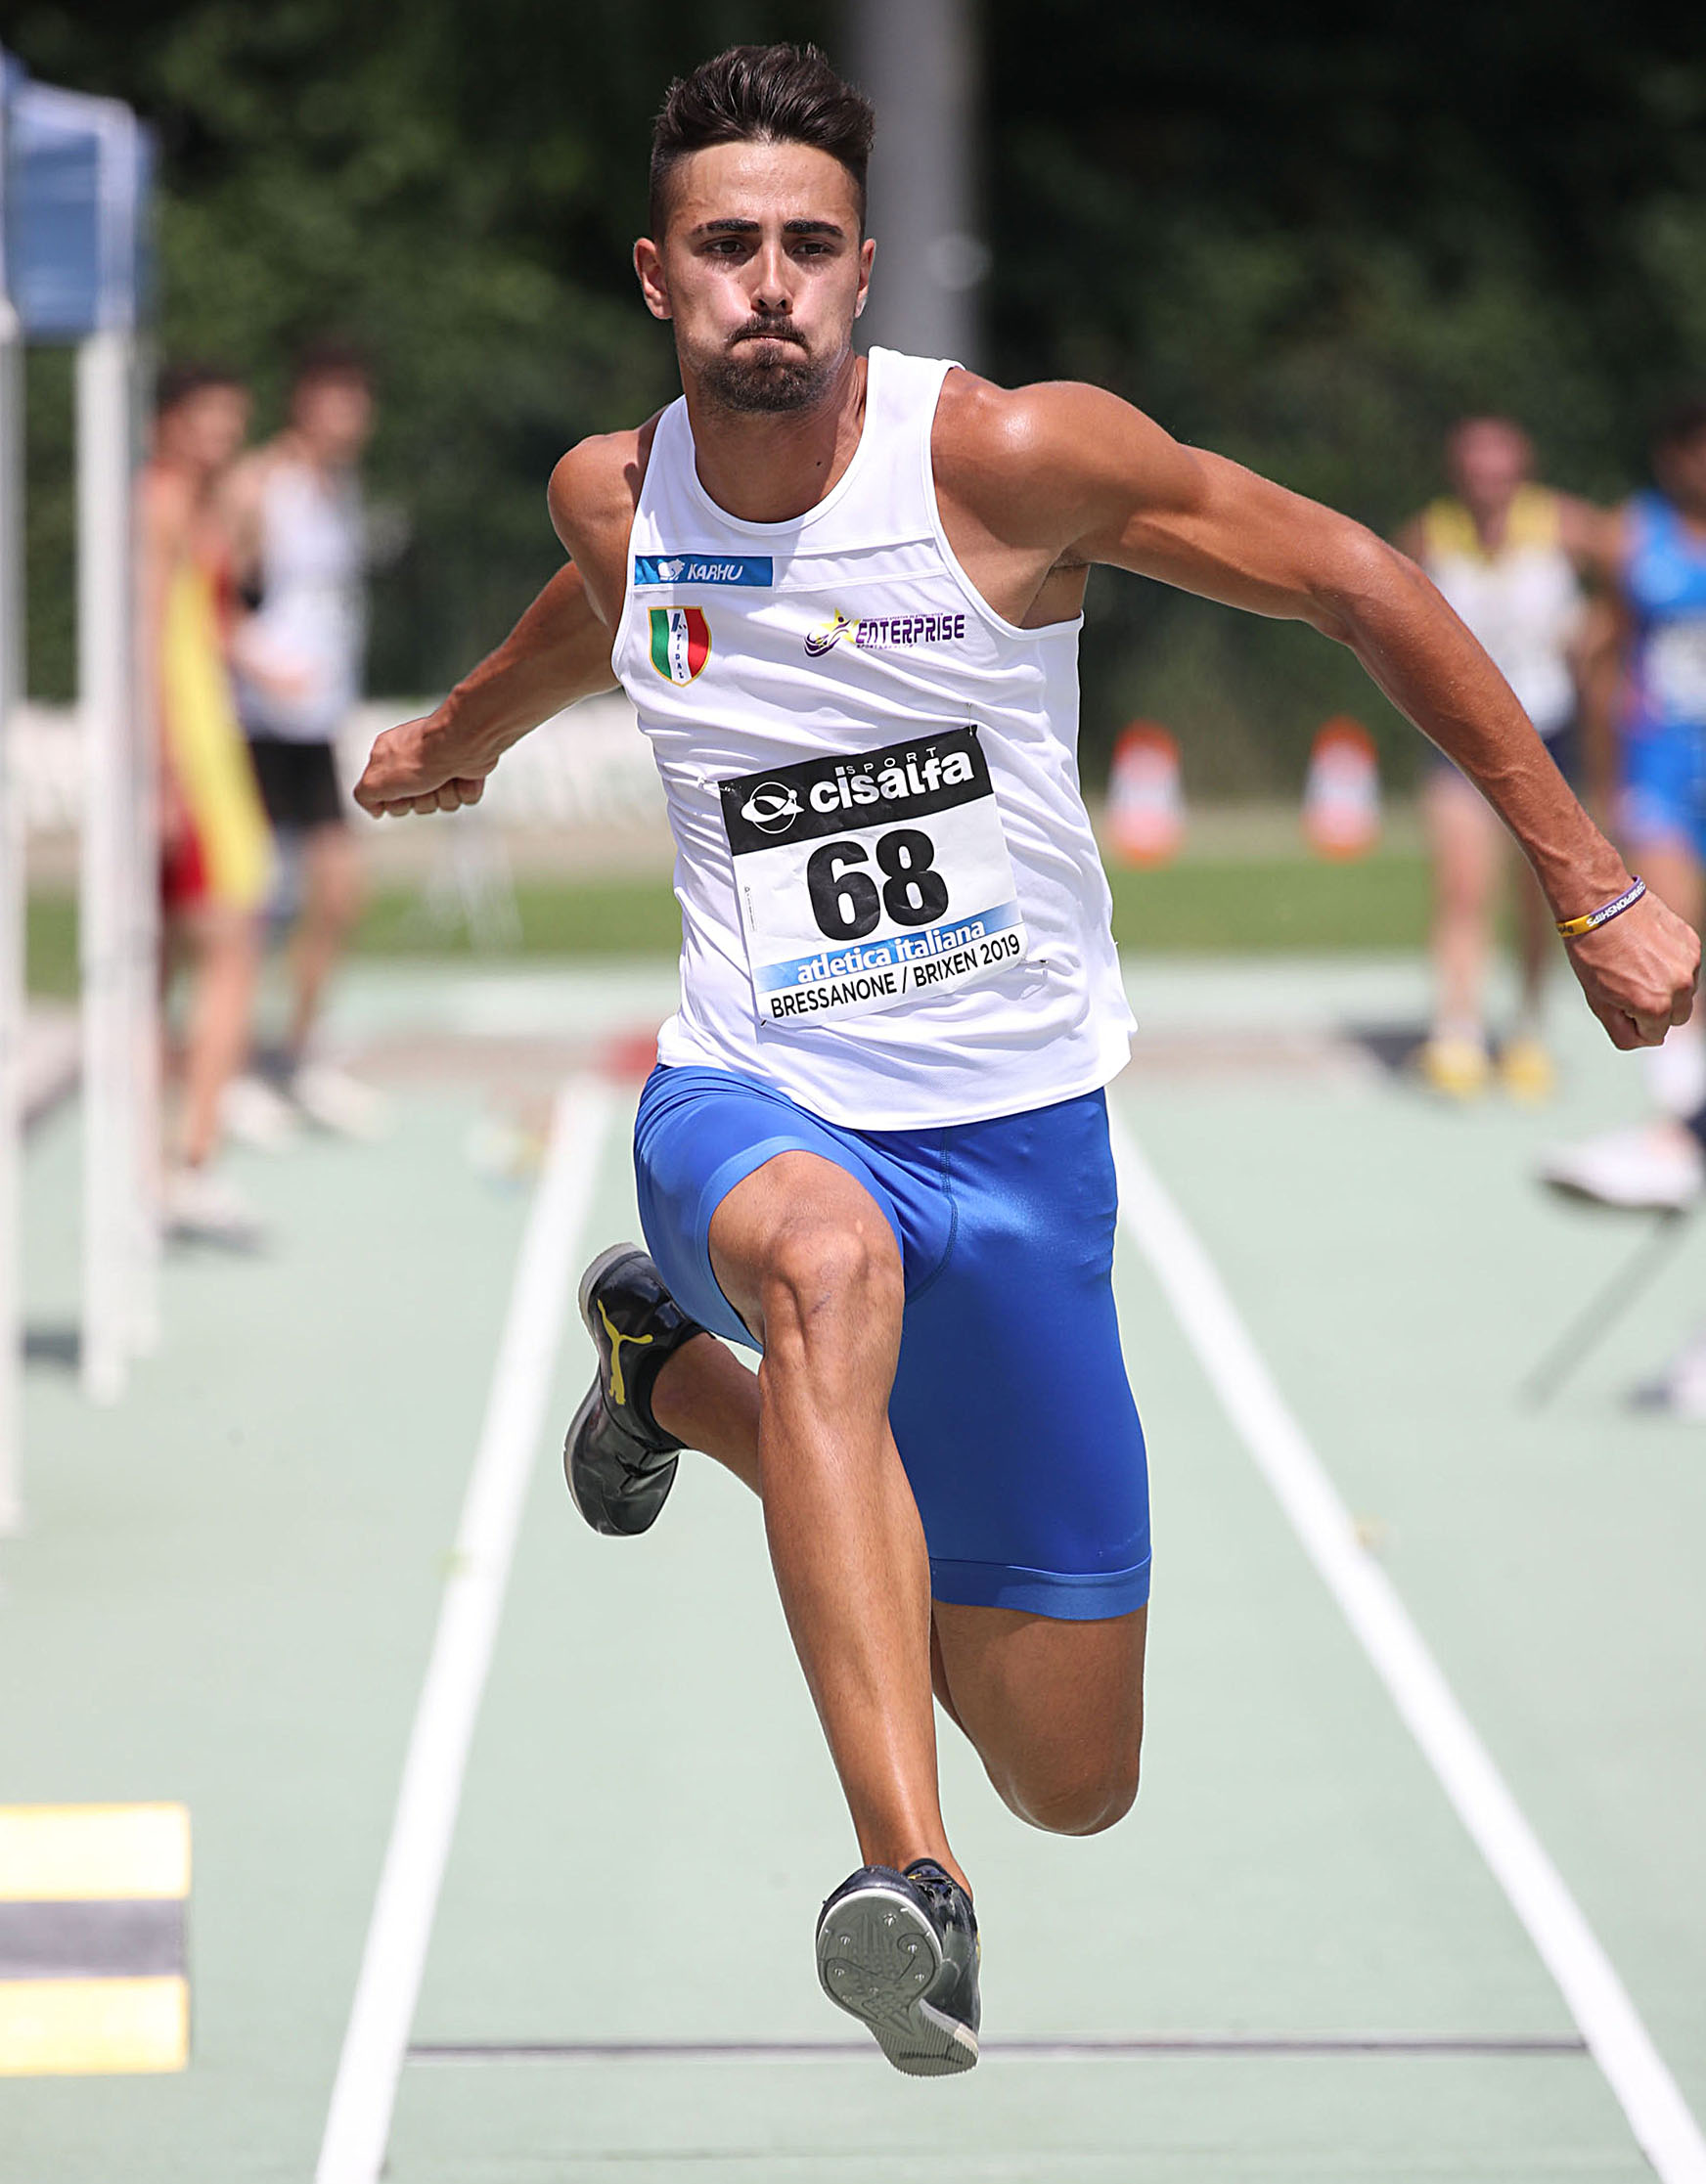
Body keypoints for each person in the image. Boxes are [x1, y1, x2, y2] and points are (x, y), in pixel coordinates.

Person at [354, 45, 1698, 2073]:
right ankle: (908, 1884)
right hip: (756, 1101)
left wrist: (1586, 881)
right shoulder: (612, 495)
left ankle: (672, 1380)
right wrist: (454, 738)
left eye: (807, 244)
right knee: (826, 1268)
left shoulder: (1000, 462)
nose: (767, 283)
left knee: (1071, 1771)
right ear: (655, 275)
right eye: (725, 246)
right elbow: (596, 606)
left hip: (1018, 1148)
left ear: (863, 266)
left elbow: (1352, 580)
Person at [1399, 419, 1606, 1099]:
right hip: (1460, 739)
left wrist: (1598, 635)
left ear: (1521, 471)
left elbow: (1636, 571)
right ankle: (1456, 1032)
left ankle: (1527, 1024)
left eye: (1500, 468)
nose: (1488, 482)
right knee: (1462, 883)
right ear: (1458, 473)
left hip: (1547, 733)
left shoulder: (1563, 525)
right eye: (1476, 468)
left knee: (1539, 892)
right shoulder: (1430, 536)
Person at [1542, 397, 1706, 1208]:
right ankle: (1679, 1115)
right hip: (1661, 759)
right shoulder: (1638, 535)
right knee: (1676, 924)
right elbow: (1603, 649)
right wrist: (1603, 775)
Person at [223, 342, 385, 1139]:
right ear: (303, 401)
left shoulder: (343, 488)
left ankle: (295, 1055)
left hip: (315, 724)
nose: (348, 415)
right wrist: (261, 663)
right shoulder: (260, 484)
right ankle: (232, 1070)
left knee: (337, 894)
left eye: (358, 399)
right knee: (250, 907)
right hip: (256, 724)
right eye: (334, 397)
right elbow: (208, 596)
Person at [139, 363, 274, 1248]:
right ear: (167, 421)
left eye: (232, 420)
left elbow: (215, 620)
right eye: (207, 420)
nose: (221, 437)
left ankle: (161, 1159)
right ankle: (188, 1159)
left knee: (171, 960)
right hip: (186, 754)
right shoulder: (157, 502)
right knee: (227, 946)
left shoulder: (203, 504)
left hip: (206, 741)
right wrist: (159, 773)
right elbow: (142, 637)